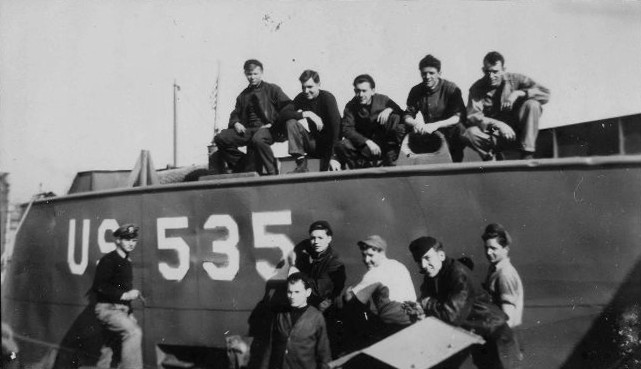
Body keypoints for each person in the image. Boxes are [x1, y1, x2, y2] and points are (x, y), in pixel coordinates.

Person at [409, 236, 521, 369]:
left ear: (441, 255)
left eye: (427, 258)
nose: (423, 265)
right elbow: (425, 300)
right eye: (418, 261)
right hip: (477, 337)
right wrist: (418, 309)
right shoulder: (432, 276)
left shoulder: (457, 274)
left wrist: (426, 304)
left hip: (495, 337)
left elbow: (452, 315)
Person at [463, 51, 550, 160]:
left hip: (520, 131)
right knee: (471, 132)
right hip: (496, 132)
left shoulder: (517, 79)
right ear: (483, 70)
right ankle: (491, 157)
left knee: (532, 104)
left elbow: (545, 93)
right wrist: (499, 125)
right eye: (487, 72)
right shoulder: (476, 89)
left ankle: (528, 154)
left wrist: (519, 93)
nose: (491, 76)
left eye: (495, 72)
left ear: (504, 70)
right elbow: (473, 117)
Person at [213, 59, 296, 175]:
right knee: (220, 138)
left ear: (261, 73)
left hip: (270, 129)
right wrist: (236, 122)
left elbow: (288, 107)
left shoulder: (273, 89)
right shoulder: (243, 95)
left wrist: (275, 123)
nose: (252, 77)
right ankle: (243, 163)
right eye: (249, 74)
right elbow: (235, 113)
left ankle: (273, 171)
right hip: (249, 130)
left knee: (257, 139)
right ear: (245, 74)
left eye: (255, 74)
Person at [342, 235, 416, 350]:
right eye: (364, 255)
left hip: (394, 326)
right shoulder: (398, 265)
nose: (366, 260)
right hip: (413, 321)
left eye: (371, 255)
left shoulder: (374, 273)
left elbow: (349, 299)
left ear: (382, 253)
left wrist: (348, 294)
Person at [91, 224, 144, 369]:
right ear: (118, 240)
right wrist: (125, 295)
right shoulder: (109, 260)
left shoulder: (127, 261)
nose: (131, 243)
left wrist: (130, 312)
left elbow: (122, 288)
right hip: (107, 310)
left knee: (108, 349)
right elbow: (100, 287)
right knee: (133, 332)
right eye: (127, 239)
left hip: (120, 310)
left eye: (134, 240)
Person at [403, 54, 467, 162]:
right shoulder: (416, 90)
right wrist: (416, 124)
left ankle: (456, 164)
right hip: (430, 134)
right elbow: (407, 115)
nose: (427, 77)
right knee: (403, 128)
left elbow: (458, 117)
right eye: (424, 73)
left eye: (431, 73)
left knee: (459, 130)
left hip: (449, 132)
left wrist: (435, 125)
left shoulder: (451, 88)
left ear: (439, 73)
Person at [261, 273, 332, 369]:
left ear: (308, 292)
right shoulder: (280, 314)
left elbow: (324, 355)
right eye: (289, 292)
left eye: (297, 292)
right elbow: (269, 348)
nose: (292, 296)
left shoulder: (317, 318)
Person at [335, 74, 405, 168]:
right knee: (342, 145)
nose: (360, 95)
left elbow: (401, 113)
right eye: (358, 91)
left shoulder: (383, 100)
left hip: (384, 145)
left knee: (395, 118)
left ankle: (391, 160)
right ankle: (360, 169)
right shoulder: (351, 106)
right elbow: (347, 129)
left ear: (372, 91)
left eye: (364, 91)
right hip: (364, 147)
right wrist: (367, 141)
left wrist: (389, 110)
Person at [482, 224, 525, 358]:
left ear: (505, 249)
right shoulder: (495, 269)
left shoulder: (505, 274)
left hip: (504, 341)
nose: (489, 252)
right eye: (486, 248)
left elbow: (508, 318)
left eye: (493, 248)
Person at [287, 70, 342, 172]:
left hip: (329, 147)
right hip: (314, 144)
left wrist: (334, 156)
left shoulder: (327, 98)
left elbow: (337, 130)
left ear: (319, 85)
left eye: (310, 87)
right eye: (303, 87)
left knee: (326, 179)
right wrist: (307, 114)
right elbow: (285, 114)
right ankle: (301, 164)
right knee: (291, 122)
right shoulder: (301, 98)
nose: (306, 91)